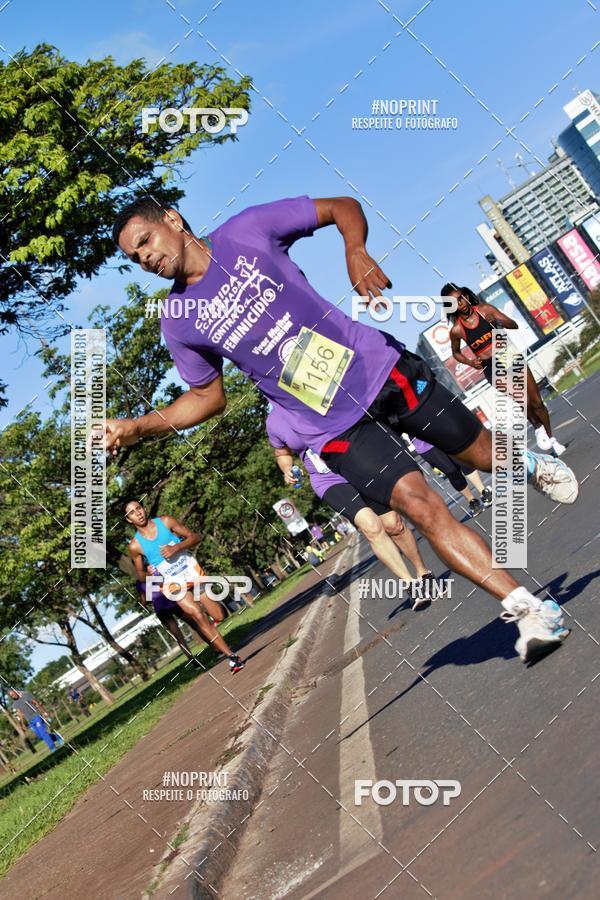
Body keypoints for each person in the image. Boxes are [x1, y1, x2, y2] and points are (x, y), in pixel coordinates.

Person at [103, 195, 578, 663]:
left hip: (378, 369)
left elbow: (340, 207)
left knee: (480, 453)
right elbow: (208, 397)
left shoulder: (246, 230)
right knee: (423, 509)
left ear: (172, 219)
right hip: (330, 427)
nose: (145, 259)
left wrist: (355, 251)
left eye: (146, 242)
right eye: (135, 257)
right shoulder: (178, 319)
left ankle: (524, 462)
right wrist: (139, 427)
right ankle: (529, 610)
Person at [266, 403, 437, 609]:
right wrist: (287, 469)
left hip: (355, 463)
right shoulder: (273, 421)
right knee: (371, 526)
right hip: (327, 480)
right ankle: (410, 584)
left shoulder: (313, 396)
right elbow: (281, 453)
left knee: (394, 525)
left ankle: (422, 572)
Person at [442, 283, 565, 456]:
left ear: (467, 297)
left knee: (536, 401)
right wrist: (470, 362)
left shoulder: (485, 310)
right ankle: (538, 428)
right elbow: (455, 353)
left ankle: (551, 439)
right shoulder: (456, 331)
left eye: (461, 298)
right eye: (455, 302)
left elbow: (513, 324)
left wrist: (498, 321)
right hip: (491, 366)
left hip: (509, 354)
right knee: (522, 398)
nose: (460, 303)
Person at [125, 500, 245, 674]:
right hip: (172, 584)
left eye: (139, 508)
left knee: (218, 615)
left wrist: (177, 547)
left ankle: (211, 630)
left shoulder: (165, 521)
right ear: (129, 519)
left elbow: (195, 537)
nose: (138, 513)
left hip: (191, 572)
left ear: (143, 509)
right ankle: (232, 657)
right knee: (197, 615)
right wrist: (152, 574)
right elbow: (140, 574)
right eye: (132, 512)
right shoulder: (135, 546)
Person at [405, 434, 492, 518]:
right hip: (424, 445)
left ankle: (484, 492)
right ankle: (472, 501)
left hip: (442, 432)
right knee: (451, 472)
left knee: (463, 461)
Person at [9, 688, 64, 752]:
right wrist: (22, 724)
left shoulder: (26, 695)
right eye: (11, 696)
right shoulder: (15, 704)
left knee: (43, 733)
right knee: (40, 736)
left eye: (13, 694)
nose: (13, 696)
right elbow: (20, 713)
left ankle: (52, 747)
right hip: (30, 721)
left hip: (36, 715)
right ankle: (56, 737)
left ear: (16, 691)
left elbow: (36, 702)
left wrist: (44, 712)